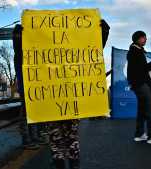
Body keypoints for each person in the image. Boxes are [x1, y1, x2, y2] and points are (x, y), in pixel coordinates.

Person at [47, 19, 110, 169]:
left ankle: (68, 164)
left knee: (66, 138)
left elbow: (92, 50)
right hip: (51, 102)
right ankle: (62, 164)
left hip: (65, 102)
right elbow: (27, 52)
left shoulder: (76, 55)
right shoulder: (46, 54)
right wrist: (19, 39)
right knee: (60, 139)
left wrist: (103, 32)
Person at [127, 30, 151, 145]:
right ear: (137, 39)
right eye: (143, 37)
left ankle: (139, 134)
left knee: (142, 109)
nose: (145, 39)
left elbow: (141, 68)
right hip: (140, 83)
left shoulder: (137, 51)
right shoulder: (135, 52)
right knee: (149, 109)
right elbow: (141, 68)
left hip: (139, 83)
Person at [12, 24, 46, 150]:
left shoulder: (37, 54)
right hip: (26, 86)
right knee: (27, 111)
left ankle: (35, 136)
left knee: (36, 111)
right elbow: (17, 45)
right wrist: (18, 34)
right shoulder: (21, 54)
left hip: (37, 86)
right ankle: (27, 139)